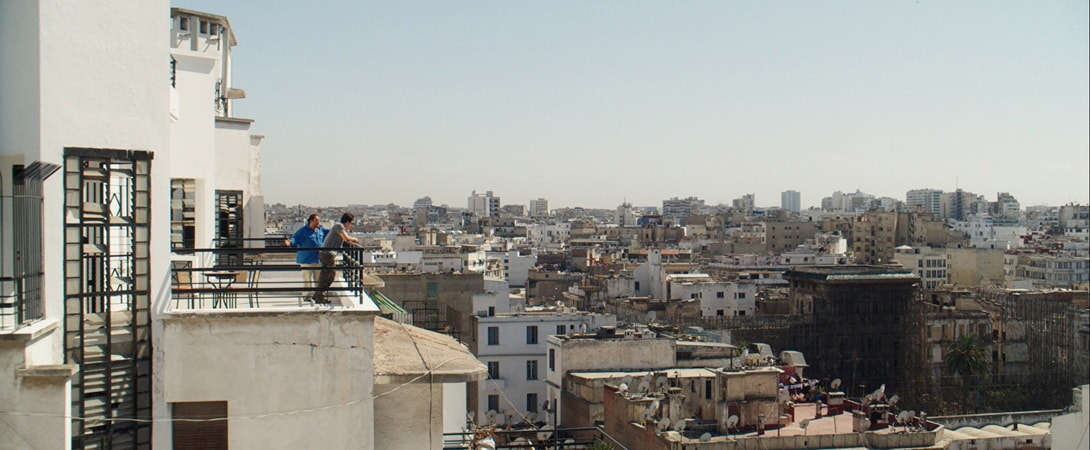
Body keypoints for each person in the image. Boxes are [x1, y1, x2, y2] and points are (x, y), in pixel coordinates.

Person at [314, 213, 360, 304]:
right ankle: (319, 294)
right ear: (347, 222)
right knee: (330, 275)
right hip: (328, 254)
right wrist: (355, 239)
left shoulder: (339, 227)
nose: (351, 225)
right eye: (351, 223)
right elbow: (346, 239)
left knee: (325, 274)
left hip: (326, 253)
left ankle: (319, 294)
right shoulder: (339, 226)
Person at [285, 214, 326, 301]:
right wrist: (289, 243)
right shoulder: (303, 231)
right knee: (307, 279)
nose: (318, 222)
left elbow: (331, 233)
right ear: (311, 221)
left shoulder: (320, 230)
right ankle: (307, 296)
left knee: (319, 279)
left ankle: (318, 295)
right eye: (316, 220)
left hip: (318, 259)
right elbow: (295, 238)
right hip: (306, 259)